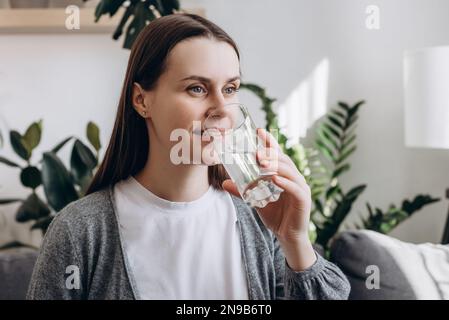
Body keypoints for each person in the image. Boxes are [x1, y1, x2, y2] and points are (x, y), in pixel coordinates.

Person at [27, 13, 350, 300]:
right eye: (197, 88)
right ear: (142, 100)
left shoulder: (260, 221)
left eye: (230, 89)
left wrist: (295, 241)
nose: (223, 110)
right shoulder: (80, 230)